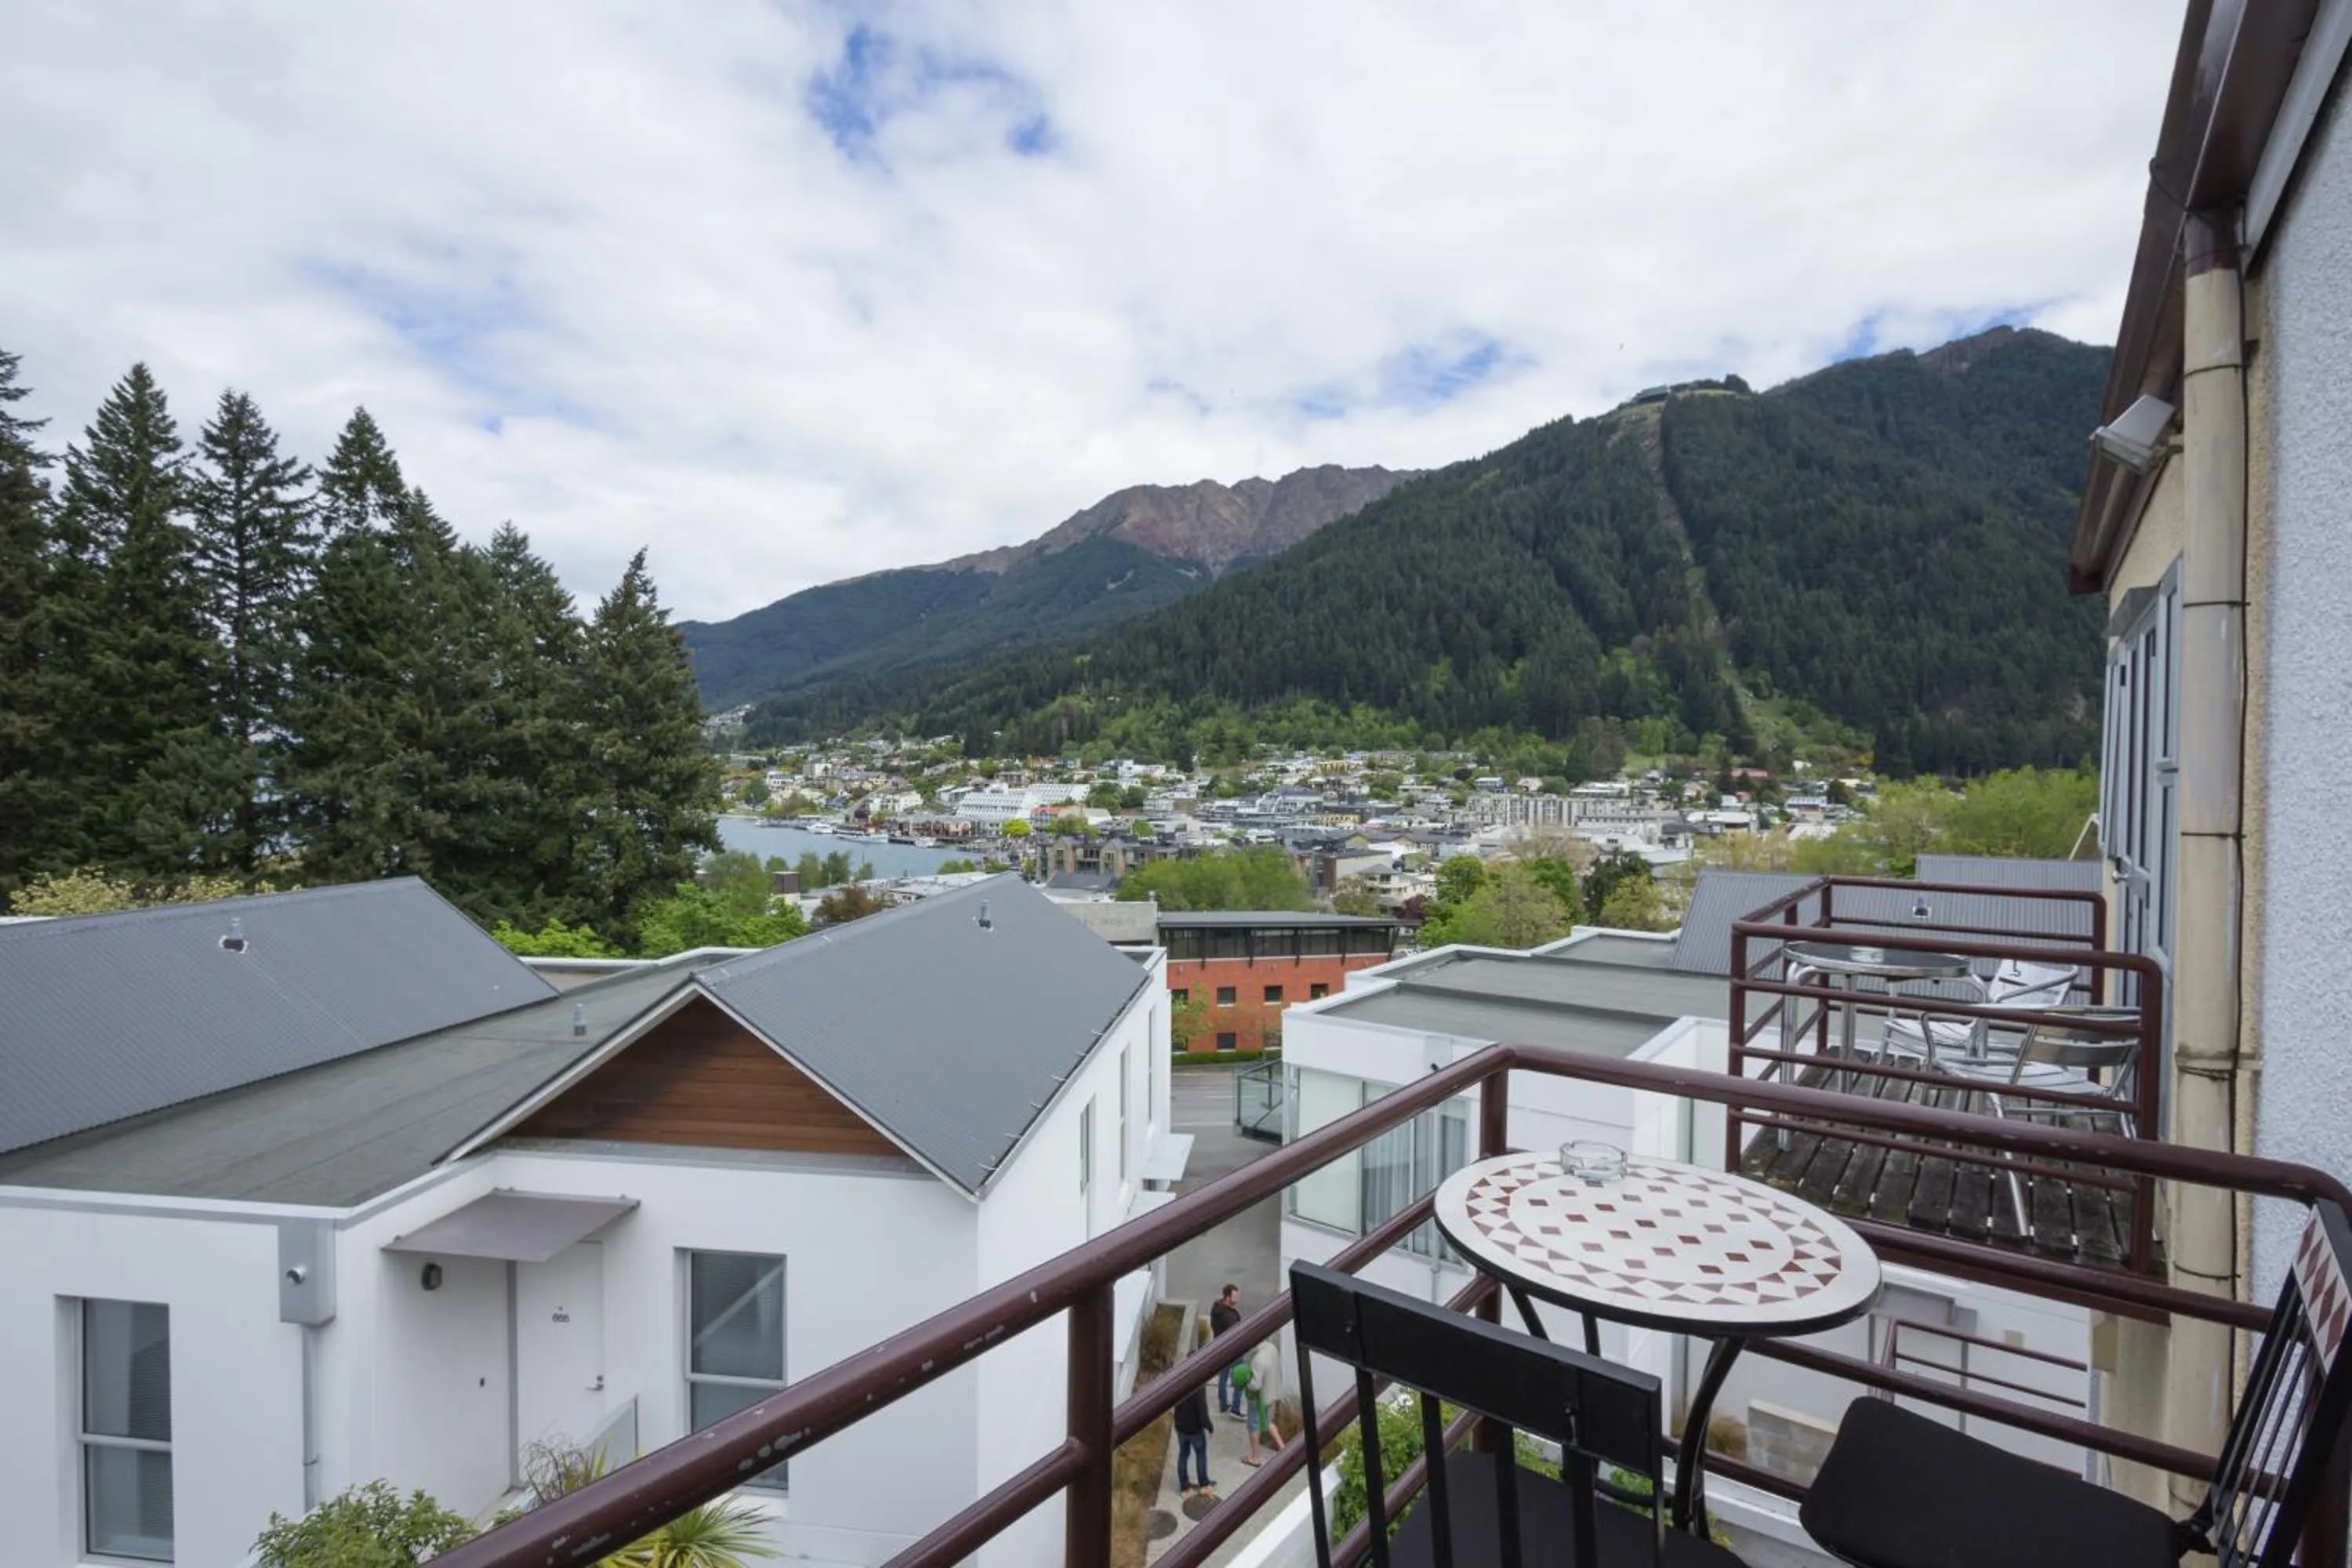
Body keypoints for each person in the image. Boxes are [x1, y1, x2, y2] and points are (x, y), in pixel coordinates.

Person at [1240, 1338, 1286, 1468]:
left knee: (1253, 1426)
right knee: (1266, 1421)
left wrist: (1245, 1382)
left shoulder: (1258, 1360)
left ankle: (1255, 1458)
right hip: (1272, 1392)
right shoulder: (1272, 1348)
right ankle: (1283, 1448)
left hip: (1259, 1397)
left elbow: (1255, 1385)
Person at [1172, 1381, 1214, 1500]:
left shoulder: (1178, 1384)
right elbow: (1202, 1410)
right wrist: (1209, 1427)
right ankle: (1204, 1484)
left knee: (1183, 1455)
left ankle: (1184, 1487)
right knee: (1201, 1455)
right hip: (1195, 1429)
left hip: (1181, 1426)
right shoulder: (1199, 1387)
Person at [1209, 1284, 1243, 1415]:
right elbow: (1235, 1335)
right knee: (1240, 1376)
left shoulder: (1217, 1307)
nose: (1237, 1299)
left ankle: (1223, 1404)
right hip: (1233, 1351)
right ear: (1227, 1297)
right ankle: (1235, 1408)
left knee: (1223, 1378)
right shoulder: (1230, 1317)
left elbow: (1213, 1325)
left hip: (1219, 1348)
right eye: (1235, 1296)